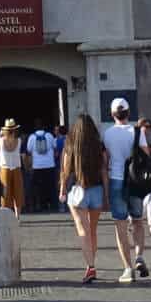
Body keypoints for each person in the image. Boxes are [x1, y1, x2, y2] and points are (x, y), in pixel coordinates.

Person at [101, 98, 150, 282]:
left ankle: (127, 269)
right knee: (137, 220)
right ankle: (139, 256)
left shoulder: (107, 134)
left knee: (120, 225)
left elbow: (104, 162)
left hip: (116, 179)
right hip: (135, 181)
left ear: (112, 114)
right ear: (128, 113)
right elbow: (146, 155)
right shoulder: (137, 132)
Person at [58, 111, 108, 283]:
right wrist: (106, 194)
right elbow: (104, 170)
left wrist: (62, 189)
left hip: (77, 190)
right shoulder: (98, 145)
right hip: (96, 190)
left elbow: (65, 170)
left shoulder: (70, 144)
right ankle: (91, 265)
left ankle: (91, 266)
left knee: (82, 230)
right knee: (92, 231)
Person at [0, 119, 27, 214]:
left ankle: (5, 215)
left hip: (4, 169)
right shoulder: (19, 141)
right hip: (16, 169)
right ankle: (17, 216)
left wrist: (1, 132)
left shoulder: (1, 141)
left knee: (5, 194)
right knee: (18, 193)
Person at [27, 122, 61, 212]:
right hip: (50, 165)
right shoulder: (49, 135)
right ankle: (53, 205)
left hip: (37, 166)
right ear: (43, 127)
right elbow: (55, 148)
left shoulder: (31, 137)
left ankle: (41, 206)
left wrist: (30, 166)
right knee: (51, 186)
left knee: (38, 187)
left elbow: (29, 152)